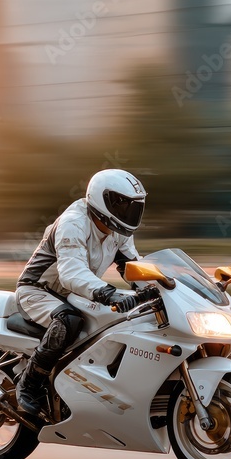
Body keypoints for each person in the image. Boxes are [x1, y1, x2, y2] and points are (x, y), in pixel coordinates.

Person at [15, 168, 147, 415]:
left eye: (134, 206)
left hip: (74, 294)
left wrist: (161, 288)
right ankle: (29, 385)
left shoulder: (117, 230)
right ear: (103, 200)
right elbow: (71, 272)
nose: (130, 212)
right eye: (124, 205)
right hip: (37, 291)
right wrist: (110, 293)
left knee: (122, 321)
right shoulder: (73, 223)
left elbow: (134, 267)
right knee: (68, 321)